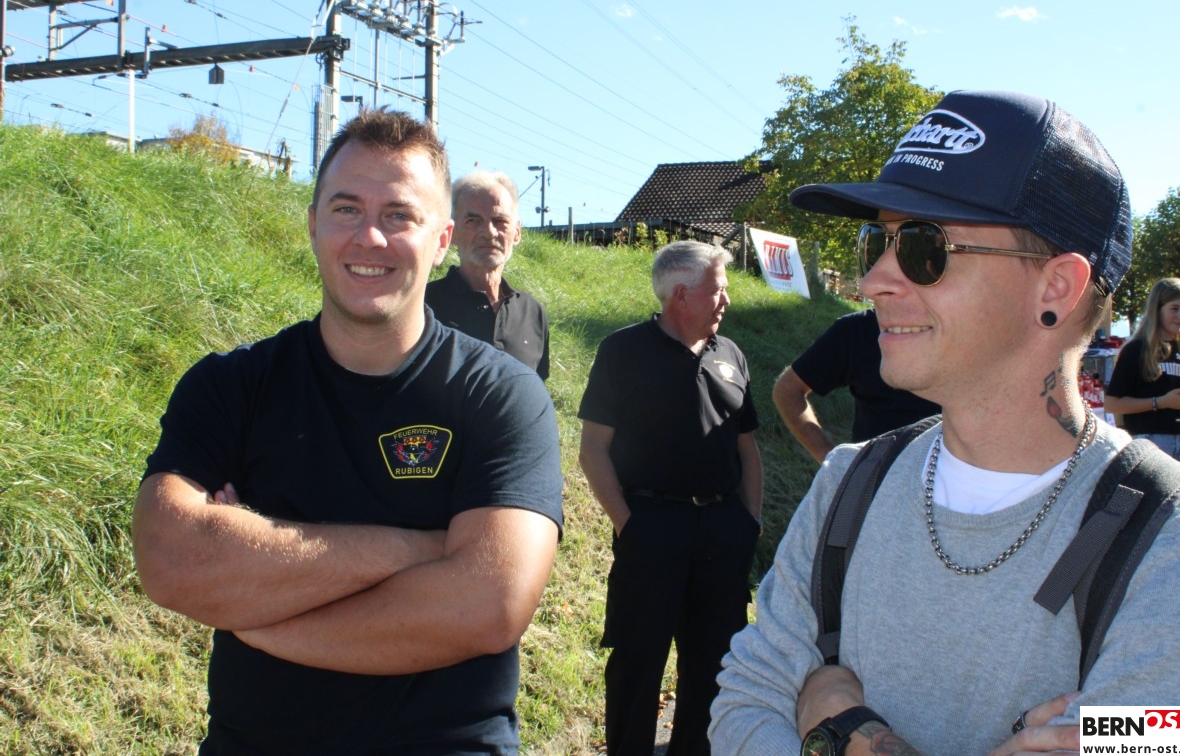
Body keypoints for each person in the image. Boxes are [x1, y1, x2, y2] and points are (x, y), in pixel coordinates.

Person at [710, 90, 1180, 755]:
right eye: (875, 243)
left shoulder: (1171, 541)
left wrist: (839, 721)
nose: (875, 281)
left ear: (1056, 286)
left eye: (923, 248)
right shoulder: (849, 483)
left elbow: (1172, 735)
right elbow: (744, 700)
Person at [131, 110, 563, 755]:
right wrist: (421, 552)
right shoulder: (232, 385)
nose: (370, 237)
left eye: (399, 215)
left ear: (441, 239)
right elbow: (170, 561)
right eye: (345, 209)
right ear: (312, 224)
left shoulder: (502, 395)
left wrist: (262, 618)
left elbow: (490, 604)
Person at [578, 241, 763, 756]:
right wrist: (630, 525)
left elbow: (747, 449)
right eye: (717, 289)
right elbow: (593, 450)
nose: (726, 299)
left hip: (722, 532)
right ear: (681, 294)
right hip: (651, 528)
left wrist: (748, 522)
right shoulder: (622, 351)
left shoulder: (731, 354)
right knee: (637, 664)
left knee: (714, 667)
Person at [425, 170, 550, 380]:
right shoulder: (423, 305)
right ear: (452, 232)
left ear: (517, 232)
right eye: (473, 220)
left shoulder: (533, 313)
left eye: (500, 220)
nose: (489, 232)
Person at [773, 307, 940, 463]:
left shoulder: (952, 332)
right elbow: (788, 389)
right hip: (873, 479)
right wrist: (831, 461)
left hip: (948, 476)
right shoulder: (858, 330)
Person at [1104, 277, 1180, 471]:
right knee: (1140, 493)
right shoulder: (1136, 349)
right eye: (1174, 308)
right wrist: (1161, 402)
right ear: (1157, 309)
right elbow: (1112, 404)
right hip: (1147, 443)